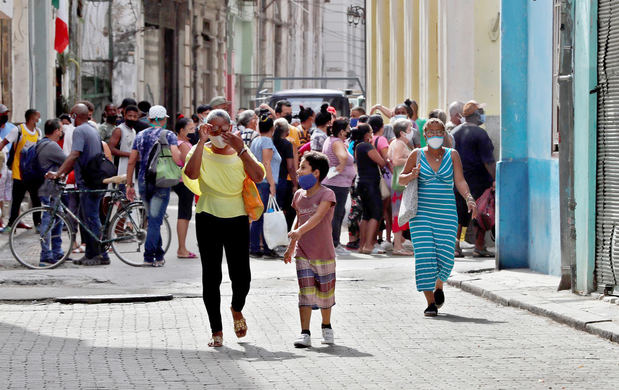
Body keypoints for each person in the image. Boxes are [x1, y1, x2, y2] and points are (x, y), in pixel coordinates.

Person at [183, 108, 265, 348]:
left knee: (242, 276)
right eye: (213, 129)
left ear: (231, 128)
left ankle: (236, 308)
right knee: (211, 276)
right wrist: (200, 142)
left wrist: (240, 148)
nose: (219, 134)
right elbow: (191, 173)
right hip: (208, 216)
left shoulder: (241, 150)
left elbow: (259, 175)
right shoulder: (202, 150)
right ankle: (216, 330)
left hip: (237, 218)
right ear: (206, 128)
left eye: (223, 129)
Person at [398, 118, 477, 316]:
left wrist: (469, 198)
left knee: (446, 256)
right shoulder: (416, 155)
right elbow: (400, 179)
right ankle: (430, 302)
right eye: (431, 132)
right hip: (421, 214)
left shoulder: (452, 155)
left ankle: (439, 284)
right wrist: (411, 175)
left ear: (444, 134)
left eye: (438, 131)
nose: (435, 135)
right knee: (424, 256)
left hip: (447, 213)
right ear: (425, 135)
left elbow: (460, 180)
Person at [284, 151, 337, 348]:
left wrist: (298, 231)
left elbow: (317, 217)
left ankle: (326, 326)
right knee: (305, 292)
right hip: (302, 252)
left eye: (302, 167)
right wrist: (291, 246)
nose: (298, 171)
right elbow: (298, 219)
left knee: (325, 293)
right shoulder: (298, 195)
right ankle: (304, 332)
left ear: (315, 173)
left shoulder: (327, 194)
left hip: (324, 252)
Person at [46, 103, 109, 266]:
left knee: (91, 218)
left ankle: (98, 254)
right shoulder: (91, 129)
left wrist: (59, 173)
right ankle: (91, 253)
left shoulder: (80, 131)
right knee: (86, 218)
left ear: (74, 116)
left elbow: (74, 155)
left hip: (88, 181)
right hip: (93, 178)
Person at [126, 105, 181, 266]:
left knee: (152, 219)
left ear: (149, 119)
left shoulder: (140, 135)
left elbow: (131, 161)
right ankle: (149, 256)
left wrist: (129, 184)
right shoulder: (169, 134)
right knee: (155, 221)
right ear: (163, 119)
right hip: (161, 181)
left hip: (143, 181)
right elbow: (176, 156)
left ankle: (159, 254)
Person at [451, 100, 496, 257]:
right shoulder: (480, 134)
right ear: (476, 115)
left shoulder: (454, 132)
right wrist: (495, 178)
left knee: (459, 213)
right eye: (481, 112)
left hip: (458, 179)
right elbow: (488, 161)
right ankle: (479, 246)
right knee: (480, 211)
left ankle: (455, 246)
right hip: (478, 180)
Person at [0, 108, 42, 233]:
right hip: (19, 171)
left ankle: (38, 223)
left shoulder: (38, 132)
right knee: (17, 199)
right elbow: (3, 143)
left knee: (36, 199)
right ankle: (12, 224)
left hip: (33, 172)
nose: (39, 119)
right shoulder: (18, 130)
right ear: (31, 118)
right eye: (37, 117)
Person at [249, 115, 282, 258]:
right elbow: (266, 163)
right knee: (265, 216)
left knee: (259, 216)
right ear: (272, 129)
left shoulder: (255, 141)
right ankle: (263, 247)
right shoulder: (267, 141)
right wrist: (271, 184)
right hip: (265, 182)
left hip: (257, 181)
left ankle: (257, 246)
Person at [352, 124, 386, 254]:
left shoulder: (358, 146)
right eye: (371, 132)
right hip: (370, 183)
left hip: (362, 182)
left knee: (366, 215)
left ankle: (362, 246)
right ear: (366, 134)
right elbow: (381, 162)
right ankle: (368, 245)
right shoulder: (366, 146)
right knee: (375, 213)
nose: (372, 134)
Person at [322, 118, 355, 255]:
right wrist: (341, 165)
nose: (349, 131)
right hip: (337, 184)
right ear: (342, 131)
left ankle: (333, 242)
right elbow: (343, 157)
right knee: (337, 214)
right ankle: (334, 243)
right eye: (348, 128)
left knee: (336, 213)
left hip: (336, 183)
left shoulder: (332, 140)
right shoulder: (337, 142)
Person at [37, 119, 67, 266]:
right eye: (60, 130)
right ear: (56, 131)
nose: (61, 133)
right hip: (48, 188)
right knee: (48, 219)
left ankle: (57, 251)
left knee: (58, 218)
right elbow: (68, 161)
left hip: (50, 187)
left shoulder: (42, 142)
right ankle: (45, 254)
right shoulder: (51, 146)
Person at [388, 119, 414, 256]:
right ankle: (397, 246)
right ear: (403, 132)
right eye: (410, 129)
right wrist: (413, 158)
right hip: (400, 185)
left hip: (399, 183)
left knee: (400, 214)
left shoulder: (396, 143)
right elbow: (396, 161)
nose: (412, 131)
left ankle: (400, 242)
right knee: (399, 215)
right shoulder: (399, 144)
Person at [172, 118, 198, 259]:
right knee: (184, 214)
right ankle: (182, 249)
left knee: (185, 213)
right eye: (191, 129)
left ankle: (182, 248)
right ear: (181, 130)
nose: (193, 132)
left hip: (181, 181)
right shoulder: (183, 144)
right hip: (184, 182)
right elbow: (189, 163)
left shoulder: (179, 142)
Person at [368, 114, 393, 252]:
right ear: (382, 127)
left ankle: (379, 239)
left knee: (380, 210)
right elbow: (386, 159)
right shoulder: (382, 140)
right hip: (385, 177)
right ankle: (386, 239)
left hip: (373, 177)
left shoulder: (369, 139)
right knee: (385, 211)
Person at [273, 118, 298, 230]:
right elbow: (290, 166)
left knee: (270, 208)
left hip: (268, 178)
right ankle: (279, 232)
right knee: (281, 208)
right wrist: (295, 183)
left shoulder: (270, 141)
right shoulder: (287, 144)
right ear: (287, 131)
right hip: (282, 179)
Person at [108, 105, 139, 183]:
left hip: (130, 168)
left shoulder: (134, 131)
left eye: (135, 116)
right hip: (119, 169)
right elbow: (111, 149)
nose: (132, 118)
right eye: (130, 116)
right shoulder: (119, 130)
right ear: (124, 116)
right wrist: (130, 155)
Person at [0, 104, 16, 229]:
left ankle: (13, 220)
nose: (5, 116)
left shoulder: (12, 128)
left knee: (11, 195)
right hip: (1, 165)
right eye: (2, 114)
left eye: (6, 114)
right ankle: (1, 220)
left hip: (10, 165)